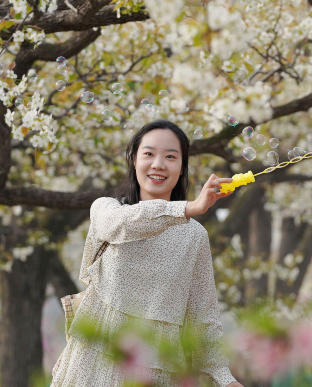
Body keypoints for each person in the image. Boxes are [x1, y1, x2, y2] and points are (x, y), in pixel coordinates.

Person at [51, 119, 244, 387]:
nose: (158, 165)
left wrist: (224, 377)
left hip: (158, 368)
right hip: (94, 362)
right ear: (133, 160)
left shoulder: (194, 235)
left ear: (181, 167)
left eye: (170, 157)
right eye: (149, 154)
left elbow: (204, 317)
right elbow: (119, 225)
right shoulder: (107, 210)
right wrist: (186, 208)